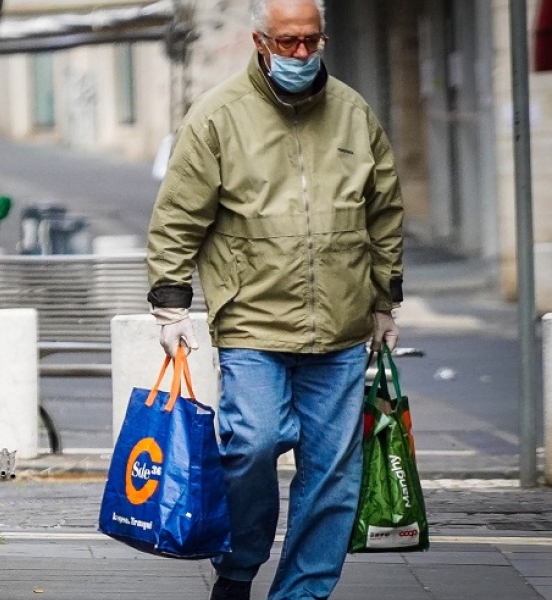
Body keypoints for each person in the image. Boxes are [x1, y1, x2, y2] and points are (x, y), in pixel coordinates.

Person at [145, 0, 404, 598]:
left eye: (311, 41)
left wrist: (386, 299)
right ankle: (238, 568)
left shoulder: (352, 113)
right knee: (252, 444)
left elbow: (384, 210)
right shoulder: (218, 116)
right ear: (259, 42)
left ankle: (302, 592)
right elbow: (178, 217)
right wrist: (170, 304)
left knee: (333, 477)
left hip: (340, 327)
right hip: (253, 322)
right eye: (287, 42)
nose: (300, 54)